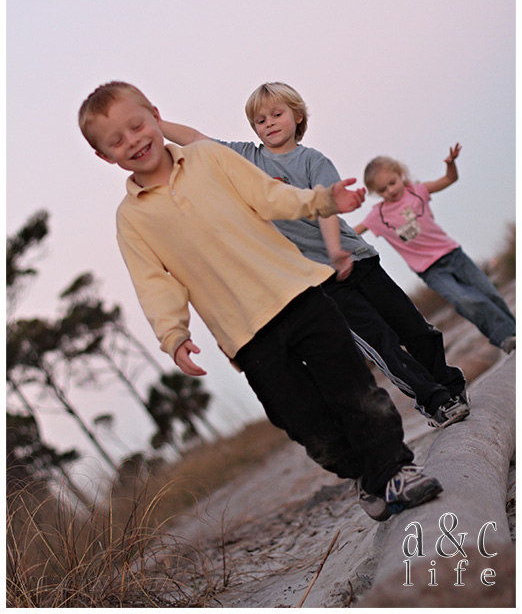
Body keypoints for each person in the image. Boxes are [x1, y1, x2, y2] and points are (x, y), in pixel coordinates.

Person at [78, 80, 443, 522]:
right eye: (116, 140)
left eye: (137, 126)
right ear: (104, 156)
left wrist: (322, 199)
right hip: (246, 333)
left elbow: (270, 196)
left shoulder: (209, 157)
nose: (133, 141)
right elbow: (152, 281)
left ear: (155, 116)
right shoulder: (132, 218)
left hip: (300, 294)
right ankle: (366, 473)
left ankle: (394, 470)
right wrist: (173, 334)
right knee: (304, 423)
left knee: (355, 391)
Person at [160, 82, 469, 429]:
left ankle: (451, 387)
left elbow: (328, 207)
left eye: (277, 114)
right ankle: (435, 401)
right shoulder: (246, 159)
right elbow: (196, 139)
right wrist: (154, 123)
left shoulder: (313, 160)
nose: (269, 123)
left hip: (356, 259)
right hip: (319, 279)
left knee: (413, 327)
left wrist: (336, 250)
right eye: (260, 120)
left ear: (297, 116)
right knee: (381, 343)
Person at [355, 146, 516, 354]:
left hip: (454, 255)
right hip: (431, 271)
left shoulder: (417, 191)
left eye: (392, 183)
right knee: (465, 301)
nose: (390, 191)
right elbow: (354, 231)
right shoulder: (378, 215)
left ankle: (513, 332)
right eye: (383, 190)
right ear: (377, 193)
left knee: (489, 293)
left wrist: (451, 164)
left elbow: (449, 179)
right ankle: (504, 338)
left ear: (400, 174)